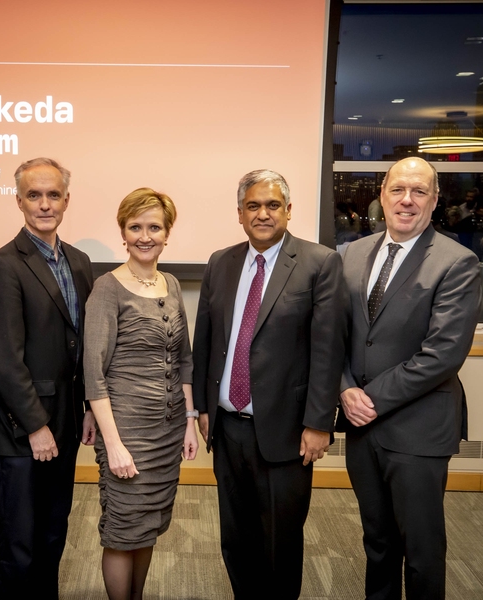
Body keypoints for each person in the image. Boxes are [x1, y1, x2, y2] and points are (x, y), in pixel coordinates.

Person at [192, 169, 349, 599]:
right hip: (227, 427)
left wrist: (319, 423)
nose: (263, 214)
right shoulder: (220, 262)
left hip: (288, 429)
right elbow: (205, 341)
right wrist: (203, 408)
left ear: (289, 210)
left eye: (273, 205)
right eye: (253, 206)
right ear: (240, 214)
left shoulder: (319, 263)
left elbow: (328, 351)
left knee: (280, 539)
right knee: (235, 537)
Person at [338, 157, 481, 600]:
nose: (407, 200)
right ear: (382, 195)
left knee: (421, 549)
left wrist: (368, 398)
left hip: (418, 429)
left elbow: (443, 355)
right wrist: (344, 388)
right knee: (377, 542)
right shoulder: (352, 254)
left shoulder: (457, 262)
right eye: (398, 190)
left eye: (419, 192)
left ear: (434, 201)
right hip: (362, 428)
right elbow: (333, 334)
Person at [0, 157, 95, 600]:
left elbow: (84, 345)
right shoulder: (3, 265)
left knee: (52, 530)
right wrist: (35, 425)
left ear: (66, 200)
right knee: (19, 540)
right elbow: (3, 358)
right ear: (19, 201)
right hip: (24, 426)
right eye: (34, 195)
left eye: (53, 195)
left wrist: (86, 407)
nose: (44, 204)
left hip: (67, 418)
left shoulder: (80, 262)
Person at [83, 188, 199, 600]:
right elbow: (93, 372)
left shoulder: (170, 283)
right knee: (123, 528)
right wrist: (113, 444)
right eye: (135, 227)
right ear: (123, 233)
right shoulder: (107, 288)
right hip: (126, 432)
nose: (144, 236)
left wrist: (189, 421)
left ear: (167, 233)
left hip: (168, 432)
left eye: (154, 227)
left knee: (148, 525)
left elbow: (184, 359)